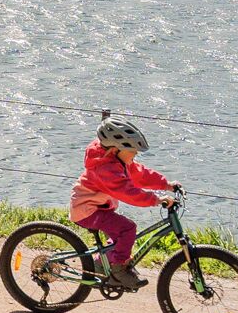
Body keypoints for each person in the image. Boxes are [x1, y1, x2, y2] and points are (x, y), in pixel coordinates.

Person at [70, 116, 178, 288]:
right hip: (87, 211)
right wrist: (156, 199)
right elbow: (128, 193)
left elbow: (140, 175)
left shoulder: (116, 161)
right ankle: (118, 270)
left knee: (119, 239)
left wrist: (166, 184)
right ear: (115, 150)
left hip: (99, 208)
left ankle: (101, 263)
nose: (136, 154)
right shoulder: (105, 169)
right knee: (127, 229)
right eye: (133, 150)